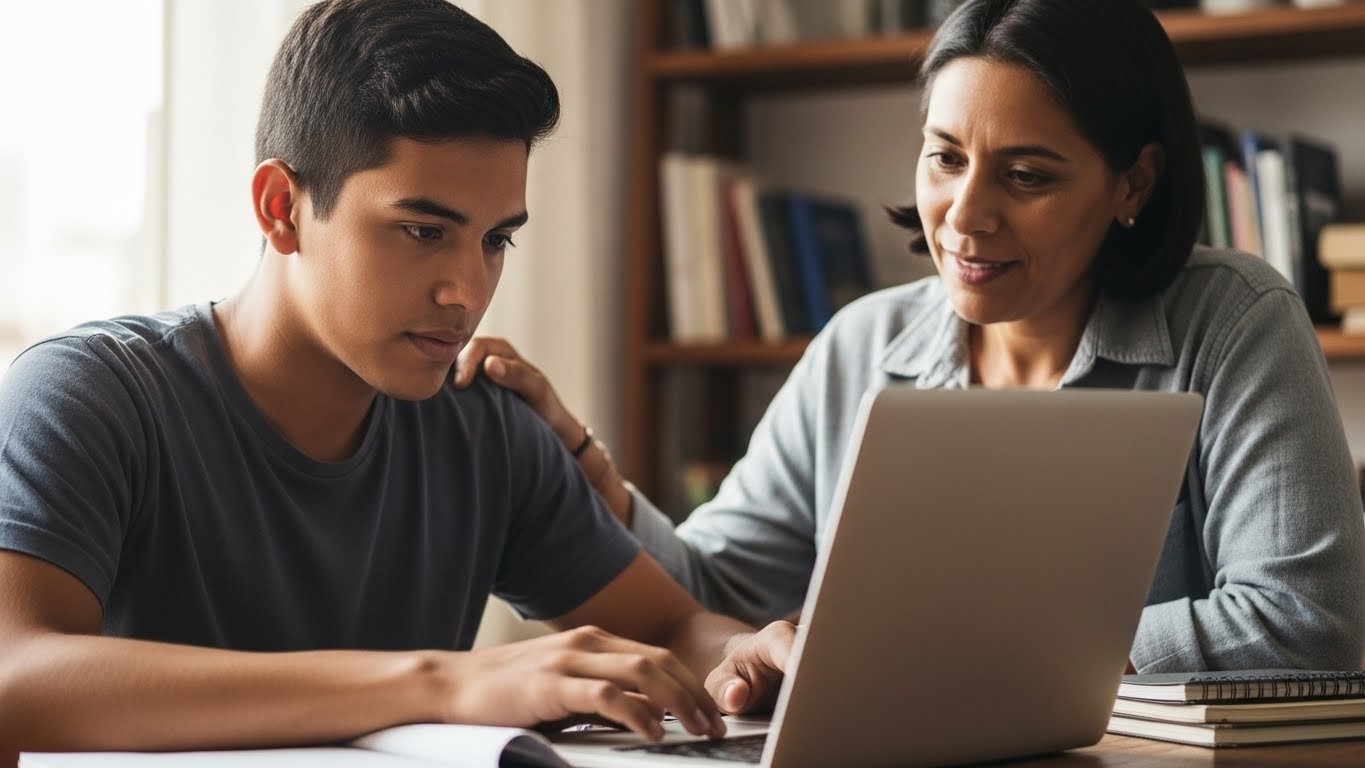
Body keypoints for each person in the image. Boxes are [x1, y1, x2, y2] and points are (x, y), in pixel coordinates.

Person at [460, 0, 1365, 674]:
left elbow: (1303, 619)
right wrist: (584, 468)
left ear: (1132, 184)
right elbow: (711, 595)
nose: (965, 218)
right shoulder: (862, 343)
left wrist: (954, 658)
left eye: (1026, 175)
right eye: (945, 157)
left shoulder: (1232, 321)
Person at [0, 1, 796, 760]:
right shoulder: (88, 396)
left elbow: (671, 626)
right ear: (281, 208)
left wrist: (746, 654)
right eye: (423, 231)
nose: (467, 291)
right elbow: (16, 676)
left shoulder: (483, 426)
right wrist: (440, 683)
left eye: (495, 242)